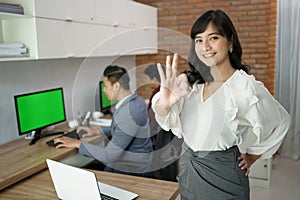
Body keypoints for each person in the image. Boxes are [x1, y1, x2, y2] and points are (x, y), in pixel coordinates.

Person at [151, 10, 291, 199]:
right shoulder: (190, 85)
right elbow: (164, 117)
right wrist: (164, 104)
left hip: (224, 174)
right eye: (199, 40)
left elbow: (281, 121)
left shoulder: (245, 86)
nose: (205, 46)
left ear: (230, 41)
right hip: (189, 169)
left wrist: (253, 156)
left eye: (213, 38)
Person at [55, 65, 153, 177]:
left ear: (116, 86)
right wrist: (97, 131)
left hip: (130, 168)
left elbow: (109, 156)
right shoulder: (136, 100)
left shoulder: (128, 113)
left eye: (106, 86)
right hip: (139, 161)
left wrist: (77, 143)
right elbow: (121, 130)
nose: (103, 90)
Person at [144, 64, 182, 181]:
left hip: (159, 138)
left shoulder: (158, 93)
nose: (147, 82)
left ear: (155, 79)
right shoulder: (165, 92)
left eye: (148, 79)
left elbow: (153, 122)